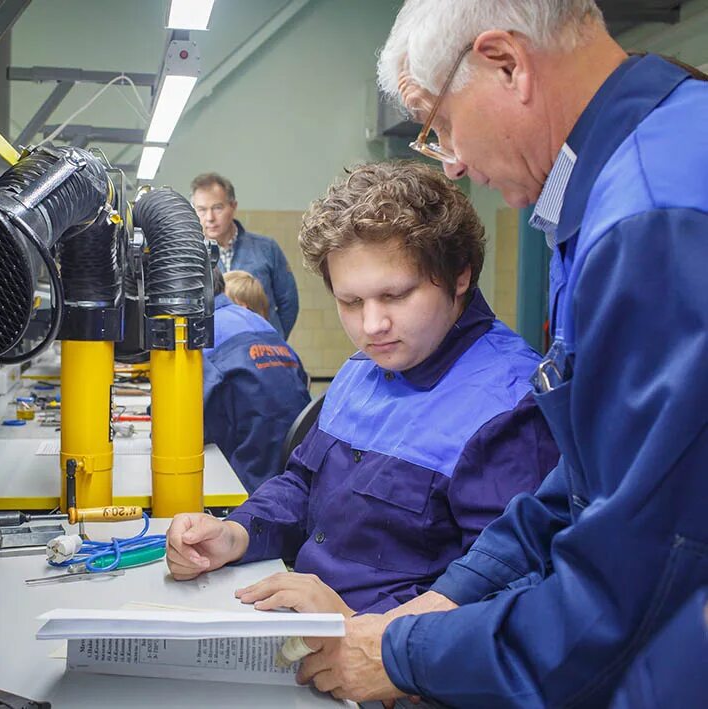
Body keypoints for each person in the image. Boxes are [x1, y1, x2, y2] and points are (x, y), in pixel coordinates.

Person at [298, 2, 708, 706]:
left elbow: (633, 580)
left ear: (507, 63)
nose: (452, 162)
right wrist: (437, 607)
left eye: (443, 124)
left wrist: (403, 654)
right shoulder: (623, 178)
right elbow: (585, 477)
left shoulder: (650, 216)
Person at [167, 162, 559, 618]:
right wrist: (236, 534)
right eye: (350, 302)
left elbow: (509, 598)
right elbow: (302, 486)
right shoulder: (362, 369)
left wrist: (362, 630)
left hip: (395, 672)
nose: (372, 326)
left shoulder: (510, 405)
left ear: (460, 276)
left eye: (395, 296)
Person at [204, 266, 310, 494]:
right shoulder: (259, 323)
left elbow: (175, 424)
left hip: (248, 483)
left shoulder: (202, 331)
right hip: (297, 473)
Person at [191, 173, 299, 337]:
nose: (210, 218)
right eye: (201, 210)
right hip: (216, 350)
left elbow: (289, 302)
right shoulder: (191, 257)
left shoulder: (266, 248)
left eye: (217, 208)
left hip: (263, 346)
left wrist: (275, 337)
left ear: (233, 206)